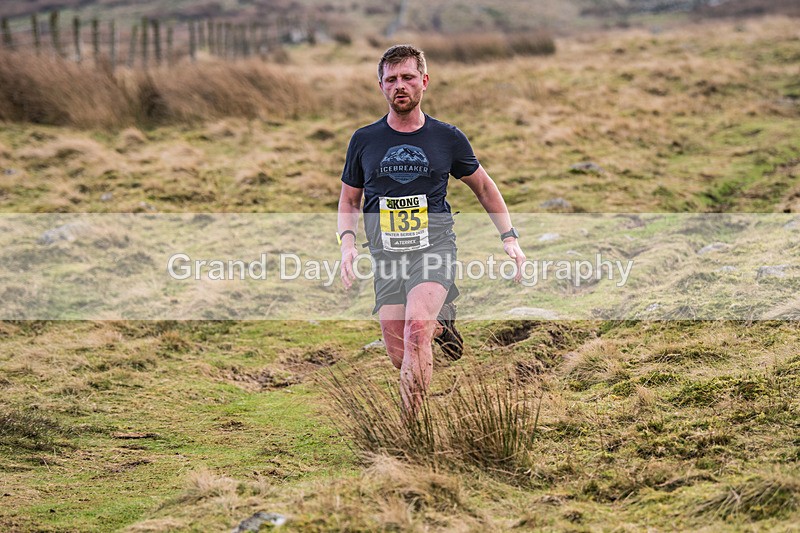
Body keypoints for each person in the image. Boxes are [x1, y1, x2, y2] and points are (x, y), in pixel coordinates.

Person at [337, 44, 525, 416]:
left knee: (415, 330)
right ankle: (443, 324)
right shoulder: (364, 140)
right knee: (398, 352)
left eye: (407, 77)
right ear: (381, 86)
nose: (399, 86)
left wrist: (510, 238)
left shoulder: (447, 138)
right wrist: (347, 244)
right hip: (387, 254)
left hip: (433, 247)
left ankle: (412, 429)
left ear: (424, 81)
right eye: (391, 79)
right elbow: (349, 200)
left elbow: (484, 187)